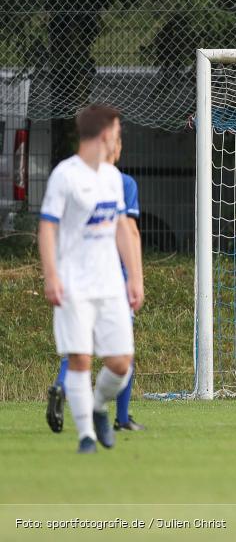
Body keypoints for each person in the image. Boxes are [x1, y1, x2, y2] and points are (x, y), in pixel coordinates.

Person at [38, 103, 144, 453]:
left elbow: (123, 230)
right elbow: (48, 227)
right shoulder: (65, 176)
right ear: (104, 134)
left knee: (120, 363)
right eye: (117, 130)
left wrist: (135, 279)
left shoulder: (113, 178)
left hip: (110, 283)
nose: (119, 137)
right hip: (73, 283)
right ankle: (86, 437)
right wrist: (51, 275)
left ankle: (99, 406)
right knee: (80, 358)